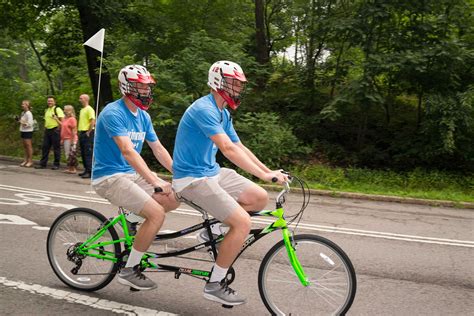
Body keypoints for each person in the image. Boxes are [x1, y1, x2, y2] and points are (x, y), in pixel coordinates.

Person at [172, 60, 288, 306]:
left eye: (239, 84)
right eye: (234, 83)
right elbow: (226, 148)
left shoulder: (223, 113)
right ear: (218, 82)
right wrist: (265, 176)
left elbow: (238, 146)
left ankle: (213, 230)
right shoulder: (204, 109)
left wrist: (268, 172)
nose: (238, 88)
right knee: (242, 223)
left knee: (258, 198)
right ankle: (215, 283)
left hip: (211, 172)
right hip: (191, 179)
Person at [91, 64, 179, 290]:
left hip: (130, 175)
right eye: (140, 86)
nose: (145, 90)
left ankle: (132, 219)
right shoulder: (113, 113)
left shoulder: (143, 117)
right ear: (126, 87)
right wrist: (154, 180)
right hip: (109, 177)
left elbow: (158, 149)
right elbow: (128, 151)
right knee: (156, 214)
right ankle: (129, 270)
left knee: (176, 195)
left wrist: (180, 174)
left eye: (147, 86)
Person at [35, 96, 64, 170]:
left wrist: (59, 129)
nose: (49, 102)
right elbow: (46, 120)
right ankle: (43, 164)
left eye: (51, 101)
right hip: (47, 130)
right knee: (45, 147)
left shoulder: (57, 109)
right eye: (48, 101)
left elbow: (63, 121)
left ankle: (56, 164)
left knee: (56, 148)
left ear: (54, 102)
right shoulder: (47, 110)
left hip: (55, 130)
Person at [77, 94, 95, 179]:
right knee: (83, 152)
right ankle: (86, 169)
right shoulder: (82, 110)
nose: (79, 100)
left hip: (87, 133)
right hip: (82, 132)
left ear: (86, 99)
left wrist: (89, 131)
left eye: (81, 98)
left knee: (88, 152)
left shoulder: (89, 109)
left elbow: (92, 120)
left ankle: (90, 171)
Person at [60, 105, 78, 174]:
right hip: (65, 138)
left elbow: (74, 130)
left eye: (64, 109)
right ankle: (70, 168)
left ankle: (73, 169)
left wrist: (73, 141)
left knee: (71, 154)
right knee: (67, 154)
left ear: (69, 110)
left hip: (70, 138)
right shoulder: (65, 118)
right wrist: (62, 139)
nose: (63, 110)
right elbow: (63, 128)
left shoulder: (72, 119)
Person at [17, 100, 34, 168]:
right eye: (22, 104)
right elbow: (22, 121)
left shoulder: (29, 113)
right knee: (25, 146)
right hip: (23, 131)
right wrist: (19, 120)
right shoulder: (23, 113)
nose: (22, 105)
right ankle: (25, 160)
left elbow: (30, 123)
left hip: (28, 131)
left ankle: (30, 161)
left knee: (28, 146)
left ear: (27, 105)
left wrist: (23, 123)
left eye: (23, 104)